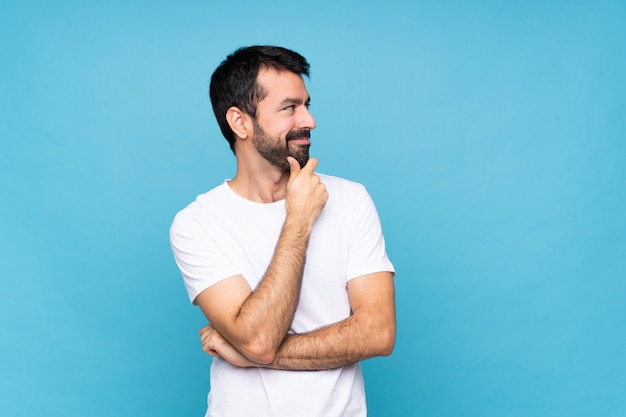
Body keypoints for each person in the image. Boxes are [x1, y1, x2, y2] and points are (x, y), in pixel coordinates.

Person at [169, 45, 396, 417]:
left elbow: (378, 333)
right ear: (240, 122)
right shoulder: (197, 224)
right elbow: (259, 340)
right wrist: (299, 219)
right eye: (290, 108)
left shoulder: (351, 199)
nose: (309, 120)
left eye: (307, 105)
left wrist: (250, 355)